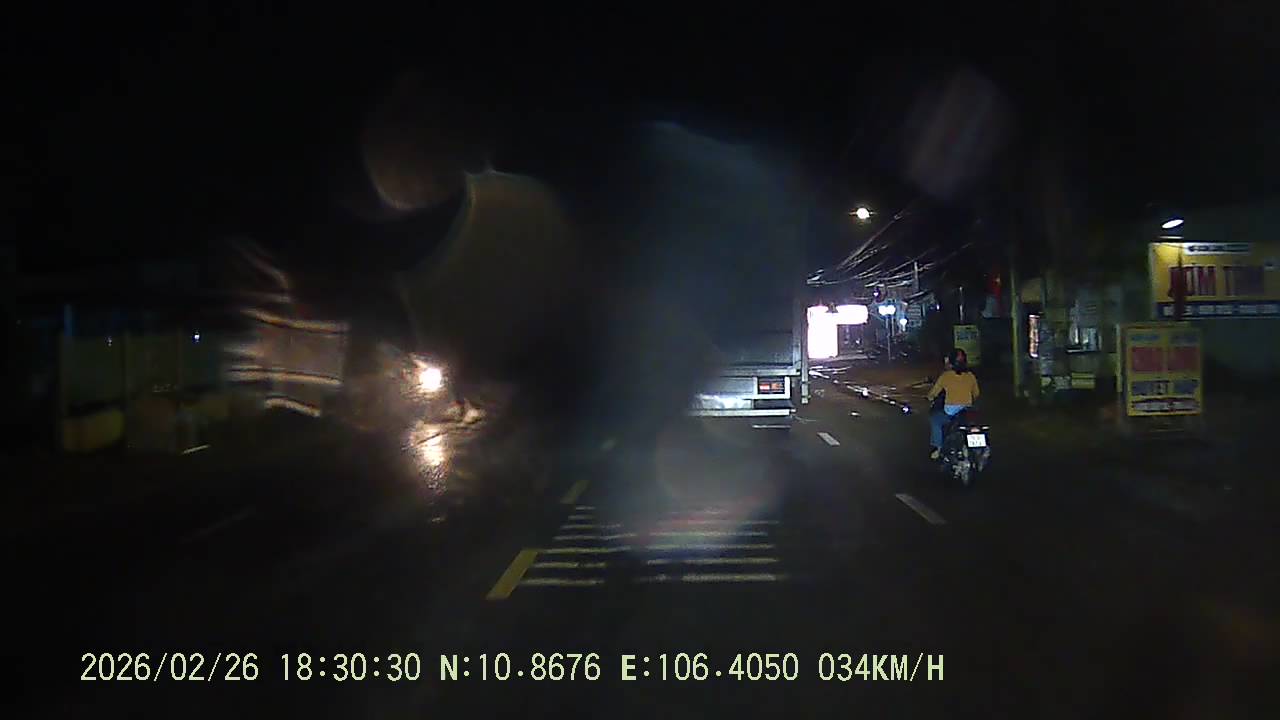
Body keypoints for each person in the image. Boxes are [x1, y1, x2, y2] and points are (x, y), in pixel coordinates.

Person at [926, 348, 980, 460]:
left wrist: (929, 397)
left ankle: (938, 448)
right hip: (967, 409)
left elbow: (933, 393)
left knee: (935, 420)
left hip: (950, 411)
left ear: (950, 362)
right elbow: (976, 394)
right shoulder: (970, 376)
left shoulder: (946, 376)